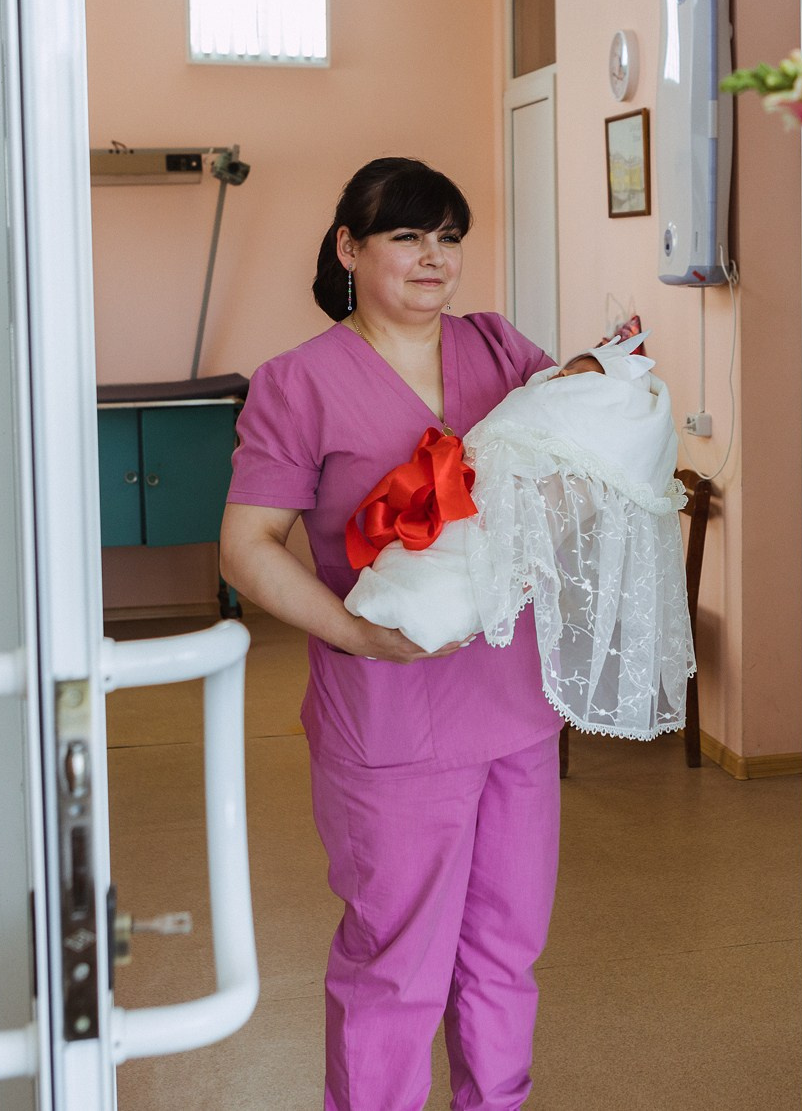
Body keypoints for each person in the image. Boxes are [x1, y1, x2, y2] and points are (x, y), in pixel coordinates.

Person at [219, 157, 564, 1111]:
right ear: (348, 248)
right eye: (407, 235)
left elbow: (573, 460)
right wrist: (357, 638)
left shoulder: (499, 350)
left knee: (505, 952)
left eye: (449, 237)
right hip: (392, 720)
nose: (434, 257)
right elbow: (247, 548)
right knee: (398, 965)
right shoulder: (299, 383)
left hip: (517, 707)